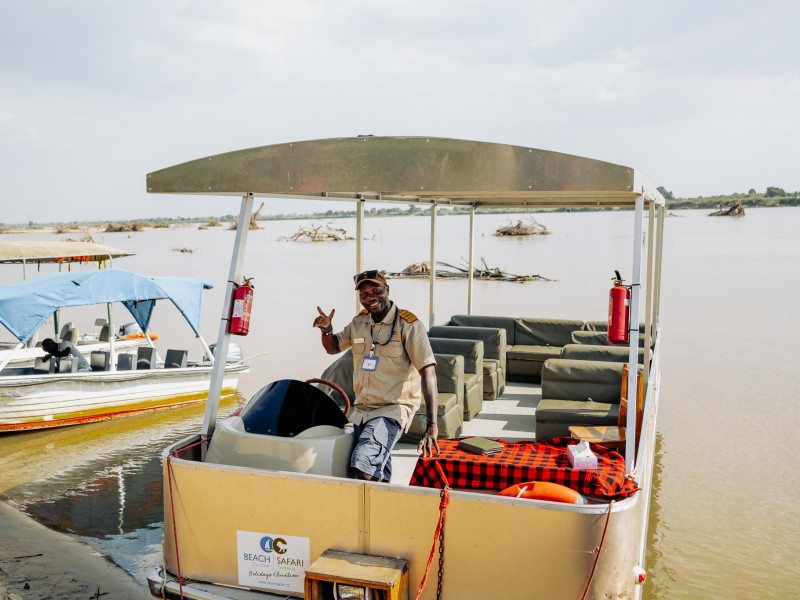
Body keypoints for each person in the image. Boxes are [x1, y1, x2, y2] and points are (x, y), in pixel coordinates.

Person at [313, 269, 439, 482]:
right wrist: (326, 330)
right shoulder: (359, 323)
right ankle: (383, 507)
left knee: (363, 465)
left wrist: (432, 424)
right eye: (364, 294)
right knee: (377, 468)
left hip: (392, 410)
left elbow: (428, 371)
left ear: (387, 290)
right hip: (361, 410)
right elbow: (333, 347)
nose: (371, 297)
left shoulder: (409, 325)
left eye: (376, 290)